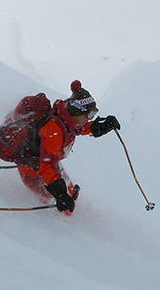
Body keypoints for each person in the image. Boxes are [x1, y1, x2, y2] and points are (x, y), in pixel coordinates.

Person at [16, 80, 120, 214]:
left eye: (92, 115)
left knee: (71, 195)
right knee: (59, 207)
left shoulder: (67, 118)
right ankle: (56, 231)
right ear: (78, 111)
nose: (89, 118)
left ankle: (68, 219)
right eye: (89, 115)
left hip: (46, 164)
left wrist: (101, 126)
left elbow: (78, 128)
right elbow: (47, 165)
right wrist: (59, 194)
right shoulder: (54, 130)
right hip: (32, 169)